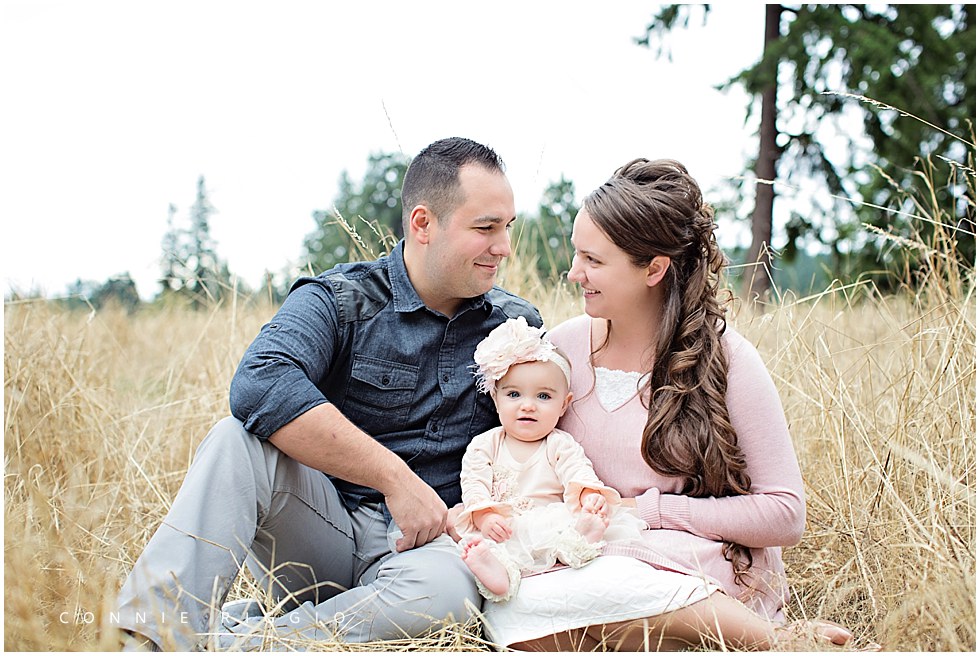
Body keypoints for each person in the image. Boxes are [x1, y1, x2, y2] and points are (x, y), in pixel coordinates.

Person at [114, 137, 542, 651]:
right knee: (236, 440)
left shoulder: (517, 324)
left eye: (508, 227)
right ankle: (148, 638)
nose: (504, 247)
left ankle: (242, 641)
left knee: (449, 594)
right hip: (325, 533)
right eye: (485, 228)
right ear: (423, 224)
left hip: (433, 554)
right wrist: (395, 479)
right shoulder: (342, 299)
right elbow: (259, 381)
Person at [480, 158, 855, 651]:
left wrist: (650, 511)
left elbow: (785, 514)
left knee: (613, 584)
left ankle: (772, 638)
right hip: (587, 556)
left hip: (690, 566)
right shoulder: (563, 349)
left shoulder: (727, 359)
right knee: (511, 610)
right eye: (577, 255)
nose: (574, 274)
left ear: (654, 268)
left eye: (593, 260)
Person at [455, 317, 644, 602]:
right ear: (496, 399)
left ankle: (581, 541)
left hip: (548, 521)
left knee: (567, 533)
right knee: (487, 545)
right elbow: (473, 484)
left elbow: (577, 471)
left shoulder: (558, 443)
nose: (527, 405)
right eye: (514, 394)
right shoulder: (485, 445)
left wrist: (589, 495)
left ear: (564, 404)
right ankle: (497, 574)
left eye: (543, 396)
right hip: (505, 526)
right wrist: (485, 515)